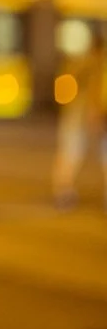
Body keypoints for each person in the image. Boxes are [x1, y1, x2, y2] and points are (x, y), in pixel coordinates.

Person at [52, 25, 106, 210]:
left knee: (70, 153)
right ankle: (64, 191)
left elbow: (63, 88)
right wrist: (94, 113)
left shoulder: (77, 62)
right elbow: (95, 91)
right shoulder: (98, 65)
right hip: (93, 114)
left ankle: (63, 190)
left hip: (75, 113)